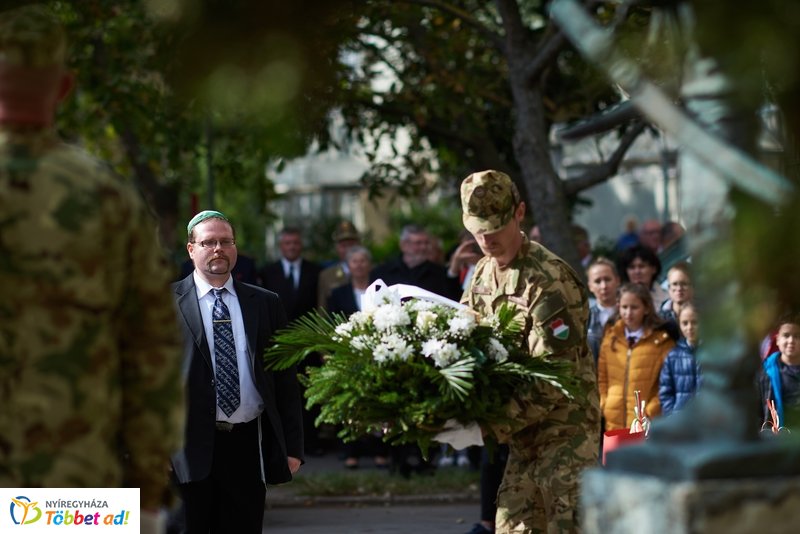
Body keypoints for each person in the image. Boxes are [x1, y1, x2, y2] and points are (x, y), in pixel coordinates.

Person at [0, 6, 183, 532]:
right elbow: (152, 348)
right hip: (78, 489)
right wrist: (149, 487)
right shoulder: (108, 198)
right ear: (63, 87)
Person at [459, 169, 600, 533]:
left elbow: (554, 378)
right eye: (479, 231)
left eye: (496, 227)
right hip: (521, 443)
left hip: (564, 439)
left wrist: (487, 426)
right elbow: (461, 342)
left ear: (520, 213)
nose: (488, 239)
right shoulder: (481, 275)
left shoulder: (548, 280)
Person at [172, 210, 303, 533]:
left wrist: (292, 447)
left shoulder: (265, 303)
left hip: (245, 444)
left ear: (235, 248)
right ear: (191, 249)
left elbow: (284, 380)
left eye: (225, 242)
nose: (218, 249)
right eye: (208, 242)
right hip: (183, 448)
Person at [327, 246, 390, 469]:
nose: (360, 265)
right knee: (351, 403)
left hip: (377, 353)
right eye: (355, 261)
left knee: (377, 401)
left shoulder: (382, 292)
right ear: (348, 265)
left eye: (364, 261)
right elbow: (332, 325)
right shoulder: (338, 293)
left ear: (369, 265)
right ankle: (350, 452)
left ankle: (380, 451)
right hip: (349, 354)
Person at [598, 283, 675, 430]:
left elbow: (667, 383)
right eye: (624, 307)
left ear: (646, 308)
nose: (628, 313)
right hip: (613, 423)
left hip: (646, 424)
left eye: (634, 307)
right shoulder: (610, 338)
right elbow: (602, 378)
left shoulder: (662, 342)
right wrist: (604, 403)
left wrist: (651, 411)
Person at [371, 224, 461, 301]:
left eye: (426, 243)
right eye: (418, 243)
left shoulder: (440, 273)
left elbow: (452, 300)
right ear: (403, 245)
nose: (423, 247)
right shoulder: (382, 273)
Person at [259, 226, 321, 323]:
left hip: (307, 331)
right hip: (277, 332)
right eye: (287, 243)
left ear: (301, 245)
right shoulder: (267, 272)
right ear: (281, 246)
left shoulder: (315, 271)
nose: (292, 247)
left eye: (296, 243)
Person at [659, 303, 702, 416]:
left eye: (694, 322)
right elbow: (665, 392)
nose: (689, 327)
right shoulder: (673, 356)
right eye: (685, 323)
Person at [758, 313, 800, 431]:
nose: (791, 340)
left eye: (797, 336)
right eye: (786, 335)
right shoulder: (765, 373)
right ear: (777, 340)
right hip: (777, 441)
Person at [317, 220, 361, 309]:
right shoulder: (327, 276)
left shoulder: (371, 270)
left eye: (351, 244)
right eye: (343, 246)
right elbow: (323, 311)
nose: (348, 249)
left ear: (359, 245)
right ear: (336, 248)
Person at [586, 257, 621, 361]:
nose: (604, 286)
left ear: (617, 280)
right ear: (590, 286)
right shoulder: (585, 319)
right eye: (597, 281)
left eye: (607, 279)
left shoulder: (632, 310)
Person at [617, 243, 669, 309]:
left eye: (642, 266)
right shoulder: (618, 300)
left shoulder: (667, 299)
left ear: (654, 269)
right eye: (632, 267)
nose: (637, 271)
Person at [658, 261, 694, 340]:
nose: (679, 289)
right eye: (674, 284)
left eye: (684, 284)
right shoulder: (659, 319)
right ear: (669, 287)